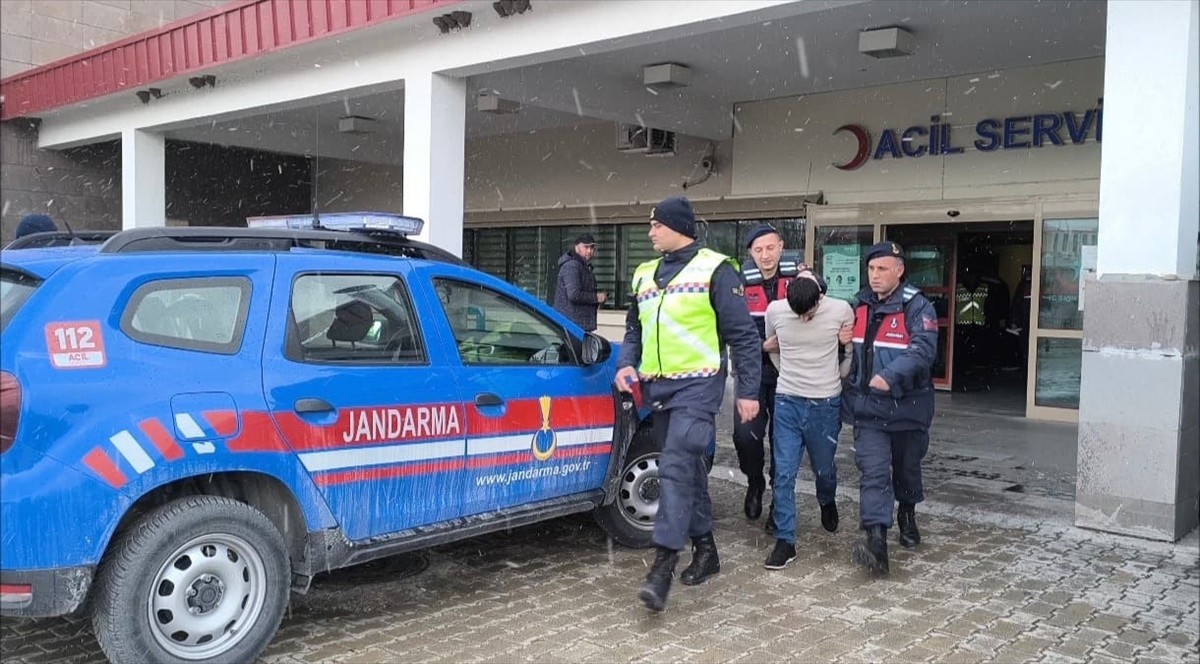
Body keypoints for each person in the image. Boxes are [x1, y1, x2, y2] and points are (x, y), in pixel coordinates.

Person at [614, 196, 761, 613]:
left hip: (699, 387)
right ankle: (706, 548)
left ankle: (662, 565)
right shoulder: (644, 273)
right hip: (657, 389)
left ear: (678, 227)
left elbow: (744, 336)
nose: (650, 232)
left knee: (675, 466)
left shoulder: (717, 269)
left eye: (656, 225)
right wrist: (625, 364)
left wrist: (748, 391)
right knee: (687, 470)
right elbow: (634, 329)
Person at [841, 241, 938, 575]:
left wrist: (889, 375)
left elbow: (923, 351)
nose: (875, 275)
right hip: (869, 409)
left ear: (899, 270)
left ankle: (907, 513)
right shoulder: (859, 305)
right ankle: (876, 541)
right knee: (874, 472)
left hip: (908, 407)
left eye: (882, 269)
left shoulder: (918, 307)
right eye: (871, 269)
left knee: (907, 467)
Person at [761, 271, 855, 569]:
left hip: (824, 404)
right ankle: (785, 540)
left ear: (820, 298)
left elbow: (849, 353)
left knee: (823, 469)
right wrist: (788, 374)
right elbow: (773, 349)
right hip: (787, 400)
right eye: (797, 314)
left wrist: (835, 379)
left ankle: (826, 500)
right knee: (783, 473)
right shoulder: (775, 311)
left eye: (809, 314)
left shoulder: (841, 310)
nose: (803, 319)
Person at [735, 224, 802, 530]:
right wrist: (762, 345)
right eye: (759, 250)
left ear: (781, 247)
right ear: (751, 253)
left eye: (771, 248)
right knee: (745, 435)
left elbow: (817, 306)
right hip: (751, 371)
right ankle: (754, 481)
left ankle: (779, 500)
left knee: (783, 440)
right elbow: (733, 327)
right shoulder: (739, 283)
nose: (765, 255)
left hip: (789, 372)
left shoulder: (799, 276)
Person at [553, 233, 606, 331]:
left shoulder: (581, 266)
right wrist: (596, 298)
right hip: (572, 325)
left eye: (592, 247)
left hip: (576, 324)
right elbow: (574, 294)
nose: (589, 251)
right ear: (577, 247)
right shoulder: (572, 266)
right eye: (586, 247)